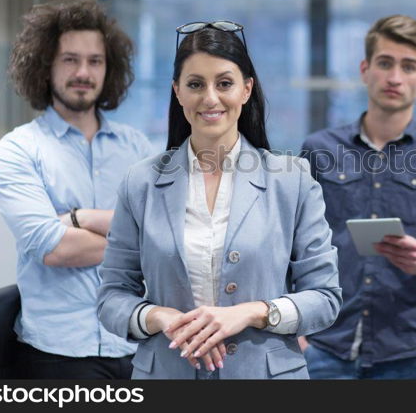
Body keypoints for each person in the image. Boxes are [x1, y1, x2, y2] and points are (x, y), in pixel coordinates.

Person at [97, 21, 341, 379]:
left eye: (224, 83)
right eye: (195, 84)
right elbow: (112, 298)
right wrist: (161, 318)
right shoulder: (141, 182)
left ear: (246, 89)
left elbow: (325, 298)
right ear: (177, 92)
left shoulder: (292, 180)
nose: (210, 98)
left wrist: (253, 311)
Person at [300, 14, 416, 379]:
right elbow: (289, 247)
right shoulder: (319, 150)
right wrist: (299, 334)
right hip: (324, 347)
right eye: (385, 63)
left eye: (408, 66)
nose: (395, 77)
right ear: (365, 70)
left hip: (407, 354)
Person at [0, 0, 153, 379]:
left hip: (137, 345)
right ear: (44, 66)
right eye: (70, 59)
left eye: (95, 61)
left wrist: (79, 218)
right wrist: (136, 240)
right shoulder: (18, 149)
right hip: (59, 354)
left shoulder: (137, 148)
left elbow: (166, 235)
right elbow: (55, 248)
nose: (84, 71)